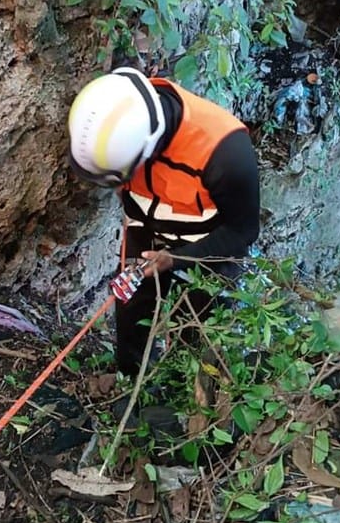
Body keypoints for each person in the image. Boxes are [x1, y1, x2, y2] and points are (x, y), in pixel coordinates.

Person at [68, 66, 260, 379]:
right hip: (147, 229)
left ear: (148, 151)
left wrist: (176, 259)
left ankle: (183, 393)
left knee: (196, 327)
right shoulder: (115, 115)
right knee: (131, 309)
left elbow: (244, 230)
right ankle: (132, 379)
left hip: (208, 249)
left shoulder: (226, 153)